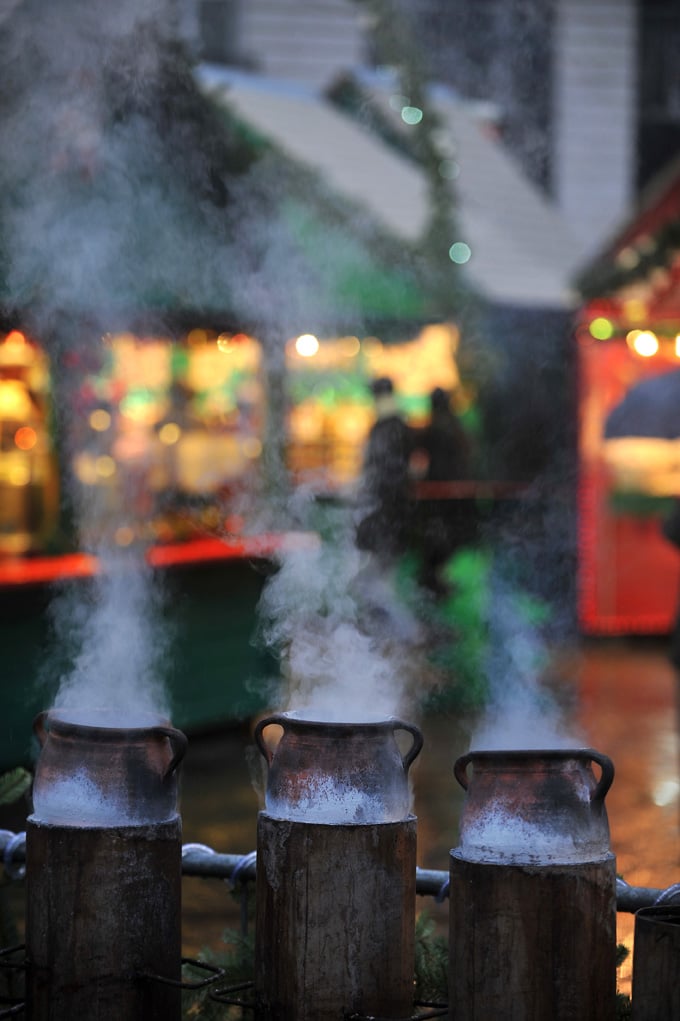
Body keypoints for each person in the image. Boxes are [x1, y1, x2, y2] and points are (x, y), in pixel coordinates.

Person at [415, 387, 474, 594]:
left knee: (437, 537)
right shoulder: (457, 426)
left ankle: (434, 582)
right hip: (456, 495)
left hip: (439, 495)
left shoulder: (435, 427)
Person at [355, 376, 415, 560]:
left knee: (385, 555)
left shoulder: (387, 427)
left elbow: (380, 466)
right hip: (390, 501)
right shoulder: (396, 425)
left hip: (388, 501)